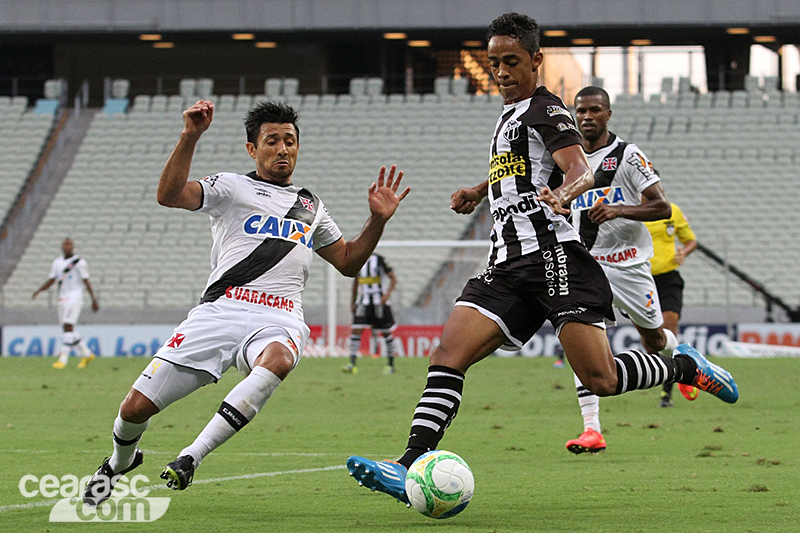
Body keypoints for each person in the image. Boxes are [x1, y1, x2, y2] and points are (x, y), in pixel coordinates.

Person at [346, 12, 737, 505]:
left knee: (602, 378)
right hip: (507, 265)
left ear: (536, 60)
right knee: (447, 355)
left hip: (556, 259)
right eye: (493, 63)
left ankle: (681, 367)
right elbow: (523, 170)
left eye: (511, 61)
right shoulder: (509, 115)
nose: (501, 71)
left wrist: (566, 193)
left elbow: (579, 168)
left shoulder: (548, 109)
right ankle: (405, 467)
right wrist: (478, 189)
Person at [82, 100, 409, 506]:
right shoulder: (232, 186)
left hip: (280, 317)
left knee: (278, 360)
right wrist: (191, 135)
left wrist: (377, 220)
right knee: (134, 409)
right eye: (272, 141)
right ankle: (118, 463)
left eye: (290, 141)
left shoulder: (312, 206)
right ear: (253, 149)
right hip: (221, 311)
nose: (283, 149)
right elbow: (169, 195)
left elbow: (348, 262)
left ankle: (191, 456)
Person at [563, 85, 680, 454]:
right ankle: (591, 429)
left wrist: (619, 209)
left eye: (595, 110)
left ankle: (686, 361)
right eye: (581, 110)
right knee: (583, 339)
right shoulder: (566, 157)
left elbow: (663, 208)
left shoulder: (627, 156)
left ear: (607, 114)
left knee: (654, 341)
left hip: (628, 264)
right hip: (586, 263)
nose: (587, 117)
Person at [644, 203, 699, 407]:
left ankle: (667, 393)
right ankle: (671, 371)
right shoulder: (629, 212)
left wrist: (684, 252)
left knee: (670, 328)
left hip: (668, 279)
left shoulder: (672, 211)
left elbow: (691, 241)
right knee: (651, 341)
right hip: (641, 280)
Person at [32, 237, 99, 369]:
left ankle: (63, 359)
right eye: (65, 244)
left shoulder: (79, 262)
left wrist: (93, 299)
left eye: (69, 244)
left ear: (73, 247)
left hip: (75, 297)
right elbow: (51, 280)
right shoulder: (57, 262)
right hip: (62, 298)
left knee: (68, 326)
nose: (67, 247)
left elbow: (87, 281)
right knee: (68, 329)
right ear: (62, 247)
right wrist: (39, 290)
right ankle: (86, 353)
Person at [342, 253, 399, 374]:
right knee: (356, 330)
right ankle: (352, 363)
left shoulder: (379, 260)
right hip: (363, 301)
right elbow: (356, 282)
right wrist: (353, 301)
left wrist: (387, 295)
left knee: (386, 332)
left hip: (379, 302)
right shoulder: (358, 259)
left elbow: (393, 278)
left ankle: (391, 364)